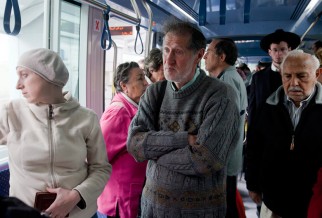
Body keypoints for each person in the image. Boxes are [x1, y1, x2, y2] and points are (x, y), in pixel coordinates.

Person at [127, 19, 240, 217]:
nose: (168, 60)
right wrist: (183, 140)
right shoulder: (154, 93)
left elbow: (205, 160)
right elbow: (135, 146)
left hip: (199, 212)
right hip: (152, 209)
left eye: (178, 52)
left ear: (198, 55)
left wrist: (153, 152)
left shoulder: (221, 95)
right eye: (166, 50)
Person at [0, 48, 112, 218]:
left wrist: (76, 196)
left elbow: (101, 168)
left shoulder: (86, 118)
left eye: (24, 75)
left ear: (48, 77)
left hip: (81, 214)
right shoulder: (10, 113)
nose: (18, 85)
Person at [245, 50, 322, 218]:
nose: (293, 83)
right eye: (287, 76)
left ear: (317, 74)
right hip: (274, 200)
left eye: (301, 76)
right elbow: (253, 147)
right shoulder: (267, 108)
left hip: (314, 203)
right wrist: (252, 184)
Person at [97, 62, 148, 218]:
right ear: (124, 85)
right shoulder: (118, 113)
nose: (146, 83)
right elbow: (97, 157)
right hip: (118, 201)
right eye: (140, 79)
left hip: (131, 194)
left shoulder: (133, 108)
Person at [204, 38, 247, 218]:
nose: (205, 56)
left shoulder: (226, 81)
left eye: (209, 52)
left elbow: (222, 125)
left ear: (221, 57)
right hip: (229, 158)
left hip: (224, 160)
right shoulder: (230, 77)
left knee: (224, 209)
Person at [247, 29, 300, 126]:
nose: (278, 54)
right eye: (275, 50)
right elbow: (252, 108)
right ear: (269, 52)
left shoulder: (300, 75)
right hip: (265, 133)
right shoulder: (258, 77)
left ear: (290, 50)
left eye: (283, 49)